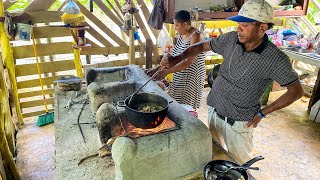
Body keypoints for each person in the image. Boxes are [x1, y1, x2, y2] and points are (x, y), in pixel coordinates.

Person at [160, 0, 304, 164]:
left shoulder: (275, 59)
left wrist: (263, 113)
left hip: (238, 124)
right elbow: (201, 46)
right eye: (238, 24)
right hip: (214, 111)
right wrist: (176, 58)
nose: (239, 28)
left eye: (245, 25)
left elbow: (296, 91)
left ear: (262, 28)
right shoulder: (231, 39)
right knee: (215, 157)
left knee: (239, 165)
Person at [148, 10, 206, 110]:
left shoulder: (196, 36)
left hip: (192, 77)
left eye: (177, 25)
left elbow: (188, 62)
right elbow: (174, 57)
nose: (175, 28)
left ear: (186, 24)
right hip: (180, 74)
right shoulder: (182, 35)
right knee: (177, 105)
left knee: (187, 108)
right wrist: (157, 69)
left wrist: (166, 72)